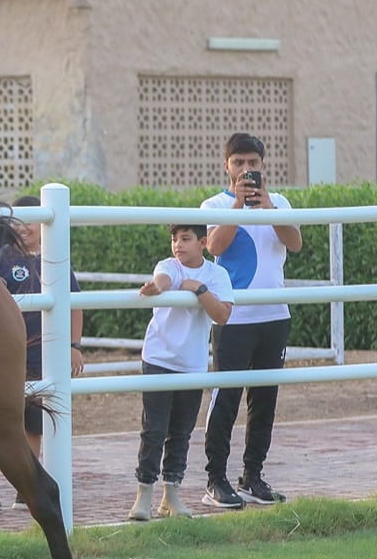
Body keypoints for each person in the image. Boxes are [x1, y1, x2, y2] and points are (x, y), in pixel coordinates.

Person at [200, 132, 302, 509]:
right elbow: (214, 246)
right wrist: (238, 205)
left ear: (263, 165)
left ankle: (252, 476)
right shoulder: (214, 205)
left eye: (253, 163)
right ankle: (215, 478)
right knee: (225, 398)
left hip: (274, 315)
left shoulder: (280, 202)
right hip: (232, 317)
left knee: (264, 400)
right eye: (239, 162)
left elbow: (295, 242)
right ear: (226, 165)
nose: (246, 169)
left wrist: (268, 206)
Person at [0, 195, 85, 514]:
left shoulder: (56, 260)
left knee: (34, 424)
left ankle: (24, 486)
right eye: (20, 221)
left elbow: (74, 304)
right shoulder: (1, 258)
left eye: (32, 221)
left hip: (43, 354)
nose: (25, 227)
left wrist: (74, 346)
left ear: (44, 223)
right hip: (5, 354)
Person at [129, 225, 234, 521]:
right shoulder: (168, 266)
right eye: (174, 239)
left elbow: (223, 315)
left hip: (192, 364)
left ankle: (171, 496)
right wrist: (157, 287)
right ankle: (143, 495)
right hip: (158, 358)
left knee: (181, 432)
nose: (178, 245)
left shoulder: (216, 274)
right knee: (154, 429)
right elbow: (163, 279)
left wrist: (199, 289)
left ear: (203, 242)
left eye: (186, 239)